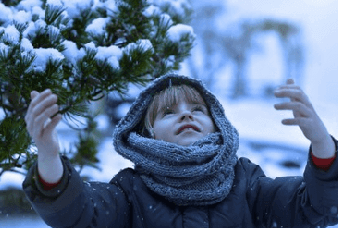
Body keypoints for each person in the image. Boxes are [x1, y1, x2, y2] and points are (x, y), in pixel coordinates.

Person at [23, 74, 338, 228]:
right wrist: (49, 155)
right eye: (168, 112)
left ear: (217, 126)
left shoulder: (249, 184)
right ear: (148, 132)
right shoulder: (128, 192)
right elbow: (75, 214)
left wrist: (322, 143)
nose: (187, 114)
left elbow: (316, 207)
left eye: (198, 109)